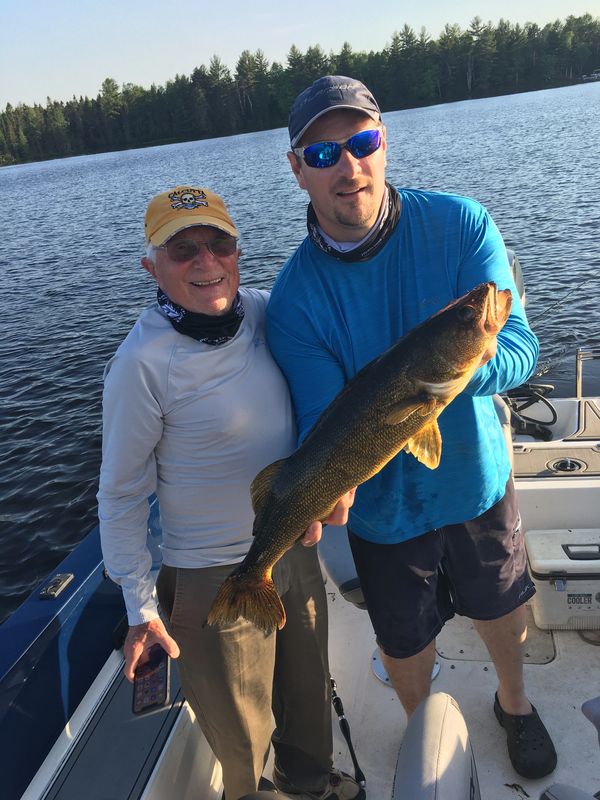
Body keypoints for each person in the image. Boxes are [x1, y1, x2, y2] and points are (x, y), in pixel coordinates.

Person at [266, 76, 557, 781]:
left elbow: (519, 344)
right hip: (381, 510)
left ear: (384, 143)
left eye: (362, 143)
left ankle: (514, 705)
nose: (350, 166)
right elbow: (323, 423)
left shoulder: (460, 224)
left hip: (475, 478)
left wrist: (461, 372)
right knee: (402, 636)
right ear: (298, 169)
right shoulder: (294, 300)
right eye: (325, 152)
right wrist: (322, 495)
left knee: (503, 603)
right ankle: (421, 722)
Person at [97, 185, 364, 800]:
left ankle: (308, 780)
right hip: (211, 572)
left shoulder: (265, 311)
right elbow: (120, 497)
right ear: (151, 266)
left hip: (292, 541)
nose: (206, 262)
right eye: (183, 249)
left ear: (238, 251)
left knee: (307, 689)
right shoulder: (140, 365)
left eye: (220, 243)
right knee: (242, 734)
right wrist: (140, 607)